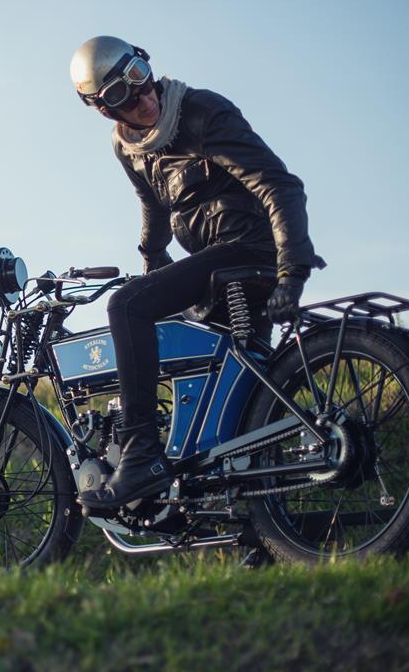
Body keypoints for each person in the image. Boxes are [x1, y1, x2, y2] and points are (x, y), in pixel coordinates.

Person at [69, 36, 323, 511]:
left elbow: (280, 186)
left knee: (126, 306)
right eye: (125, 96)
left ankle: (141, 454)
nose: (144, 98)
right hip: (214, 269)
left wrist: (292, 268)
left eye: (141, 80)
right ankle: (259, 530)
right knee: (229, 412)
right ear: (106, 110)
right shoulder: (128, 147)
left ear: (146, 66)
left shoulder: (203, 112)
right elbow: (153, 203)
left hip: (248, 251)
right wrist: (151, 256)